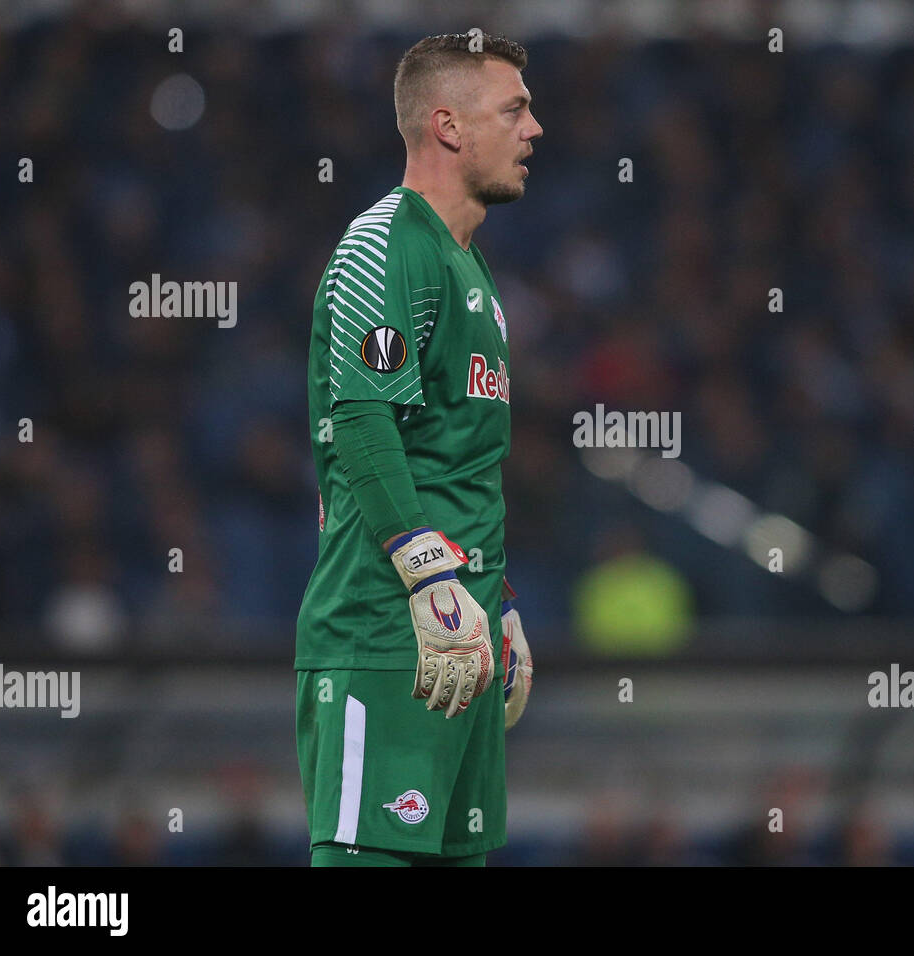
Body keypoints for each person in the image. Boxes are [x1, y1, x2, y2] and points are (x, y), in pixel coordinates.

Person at [295, 32, 541, 867]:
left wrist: (496, 598)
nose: (534, 128)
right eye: (514, 109)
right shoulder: (384, 246)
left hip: (460, 637)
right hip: (387, 633)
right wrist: (430, 576)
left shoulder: (471, 269)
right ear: (448, 125)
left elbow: (454, 461)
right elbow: (362, 425)